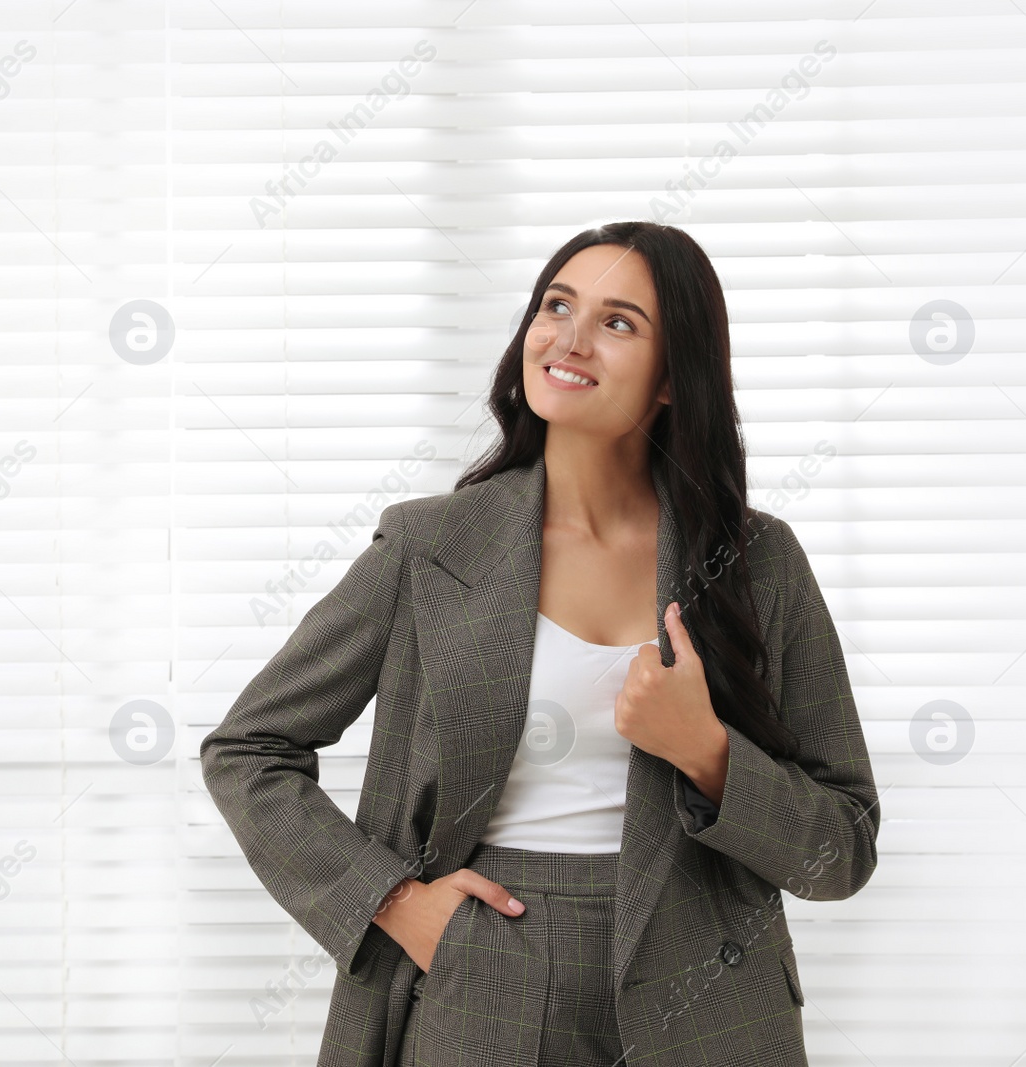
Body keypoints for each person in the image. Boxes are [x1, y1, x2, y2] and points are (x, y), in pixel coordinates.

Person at [200, 220, 880, 1067]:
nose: (569, 338)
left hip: (707, 991)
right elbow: (247, 750)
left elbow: (841, 848)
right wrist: (393, 902)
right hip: (481, 975)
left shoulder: (755, 562)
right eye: (556, 306)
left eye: (618, 322)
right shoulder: (430, 548)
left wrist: (708, 753)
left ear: (674, 378)